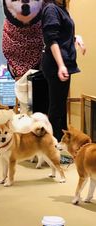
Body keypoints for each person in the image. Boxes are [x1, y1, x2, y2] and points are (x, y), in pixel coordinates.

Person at [41, 0, 86, 143]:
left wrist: (76, 38)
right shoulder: (51, 9)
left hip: (64, 63)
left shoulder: (62, 8)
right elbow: (51, 39)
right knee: (56, 109)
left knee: (60, 107)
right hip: (56, 65)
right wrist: (61, 65)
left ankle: (61, 146)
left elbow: (63, 35)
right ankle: (53, 147)